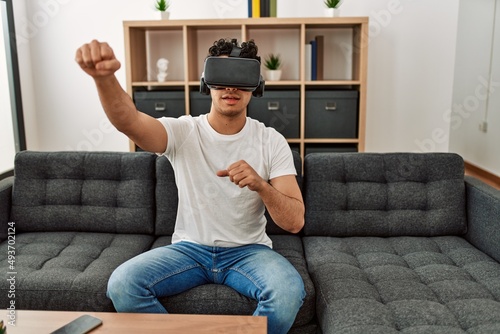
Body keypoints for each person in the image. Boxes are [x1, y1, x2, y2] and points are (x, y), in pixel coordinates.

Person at [75, 38, 305, 334]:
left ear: (256, 86)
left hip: (249, 251)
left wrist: (261, 185)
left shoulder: (271, 141)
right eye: (221, 78)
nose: (230, 88)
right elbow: (129, 122)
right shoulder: (183, 131)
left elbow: (295, 221)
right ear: (206, 83)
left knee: (287, 292)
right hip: (189, 250)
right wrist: (104, 79)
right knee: (123, 283)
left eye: (240, 78)